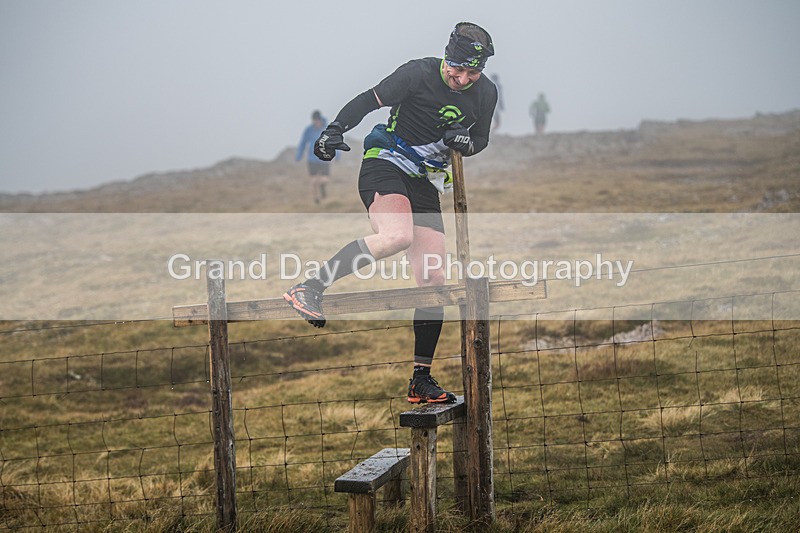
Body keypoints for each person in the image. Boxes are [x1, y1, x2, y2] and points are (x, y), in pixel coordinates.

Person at [283, 22, 498, 404]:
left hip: (425, 178)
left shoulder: (486, 92)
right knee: (398, 236)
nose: (463, 79)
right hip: (386, 161)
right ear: (446, 56)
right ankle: (309, 288)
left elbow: (480, 138)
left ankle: (420, 380)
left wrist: (466, 143)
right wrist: (334, 129)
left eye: (473, 72)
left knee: (433, 279)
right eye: (458, 68)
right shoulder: (417, 73)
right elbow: (369, 100)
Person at [296, 110, 331, 204]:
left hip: (324, 158)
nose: (316, 123)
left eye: (317, 121)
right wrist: (299, 155)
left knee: (325, 180)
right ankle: (316, 198)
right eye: (314, 121)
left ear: (320, 120)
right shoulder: (309, 130)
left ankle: (322, 187)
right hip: (312, 159)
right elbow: (303, 143)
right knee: (313, 180)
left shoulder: (326, 129)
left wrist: (337, 154)